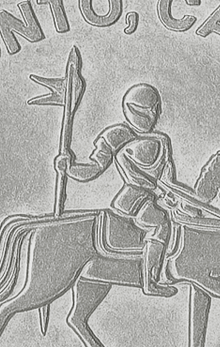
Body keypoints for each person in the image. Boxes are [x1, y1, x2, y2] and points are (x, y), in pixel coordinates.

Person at [55, 83, 180, 297]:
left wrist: (170, 195)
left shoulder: (162, 140)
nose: (155, 115)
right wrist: (69, 168)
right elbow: (94, 168)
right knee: (160, 225)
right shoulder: (115, 135)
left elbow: (167, 178)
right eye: (150, 110)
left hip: (155, 198)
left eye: (156, 109)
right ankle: (150, 282)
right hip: (132, 200)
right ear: (135, 110)